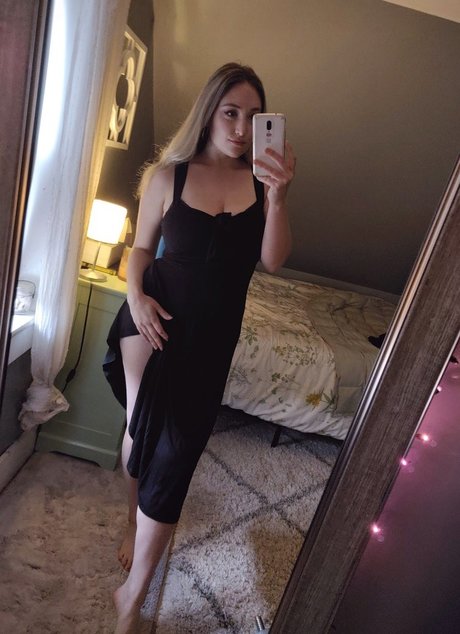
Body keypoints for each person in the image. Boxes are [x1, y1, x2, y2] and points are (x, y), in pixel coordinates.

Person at [103, 62, 295, 633]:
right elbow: (141, 250)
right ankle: (133, 559)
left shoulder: (262, 185)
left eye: (252, 117)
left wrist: (279, 197)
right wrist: (136, 298)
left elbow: (273, 260)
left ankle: (131, 589)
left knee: (177, 455)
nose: (239, 127)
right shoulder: (168, 176)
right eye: (230, 112)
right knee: (143, 429)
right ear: (209, 111)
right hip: (151, 320)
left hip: (210, 340)